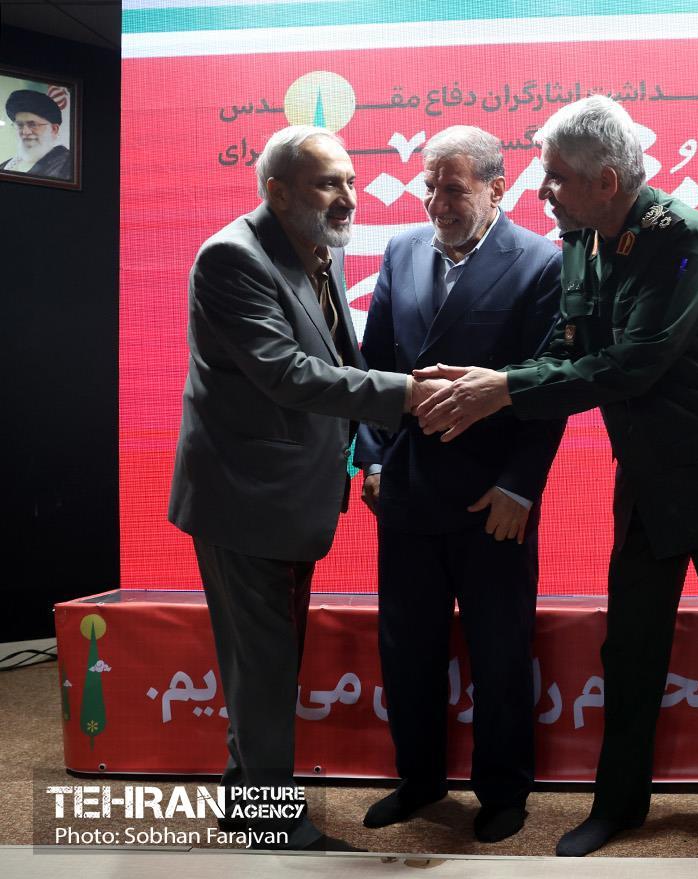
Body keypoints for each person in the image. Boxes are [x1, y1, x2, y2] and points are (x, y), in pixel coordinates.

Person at [411, 95, 698, 857]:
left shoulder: (684, 238)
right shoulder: (580, 237)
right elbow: (566, 341)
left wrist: (505, 388)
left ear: (606, 180)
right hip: (649, 476)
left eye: (555, 176)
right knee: (632, 646)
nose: (542, 190)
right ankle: (618, 803)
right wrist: (501, 380)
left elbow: (630, 364)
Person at [168, 125, 444, 851]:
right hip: (243, 501)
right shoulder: (232, 257)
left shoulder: (319, 246)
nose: (348, 197)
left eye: (350, 180)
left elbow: (337, 355)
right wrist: (407, 394)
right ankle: (270, 823)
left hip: (289, 498)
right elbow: (287, 373)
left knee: (267, 664)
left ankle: (245, 800)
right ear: (278, 191)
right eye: (329, 184)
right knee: (262, 667)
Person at [352, 126, 565, 843]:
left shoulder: (541, 263)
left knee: (499, 652)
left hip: (491, 501)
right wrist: (370, 460)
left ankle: (503, 790)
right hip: (408, 491)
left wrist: (520, 488)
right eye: (429, 187)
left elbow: (546, 392)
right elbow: (374, 369)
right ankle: (419, 779)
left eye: (453, 188)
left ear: (497, 188)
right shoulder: (402, 250)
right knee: (406, 649)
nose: (437, 202)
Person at [2, 89, 73, 179]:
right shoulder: (5, 167)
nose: (25, 132)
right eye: (20, 125)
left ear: (54, 129)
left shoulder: (68, 163)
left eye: (33, 125)